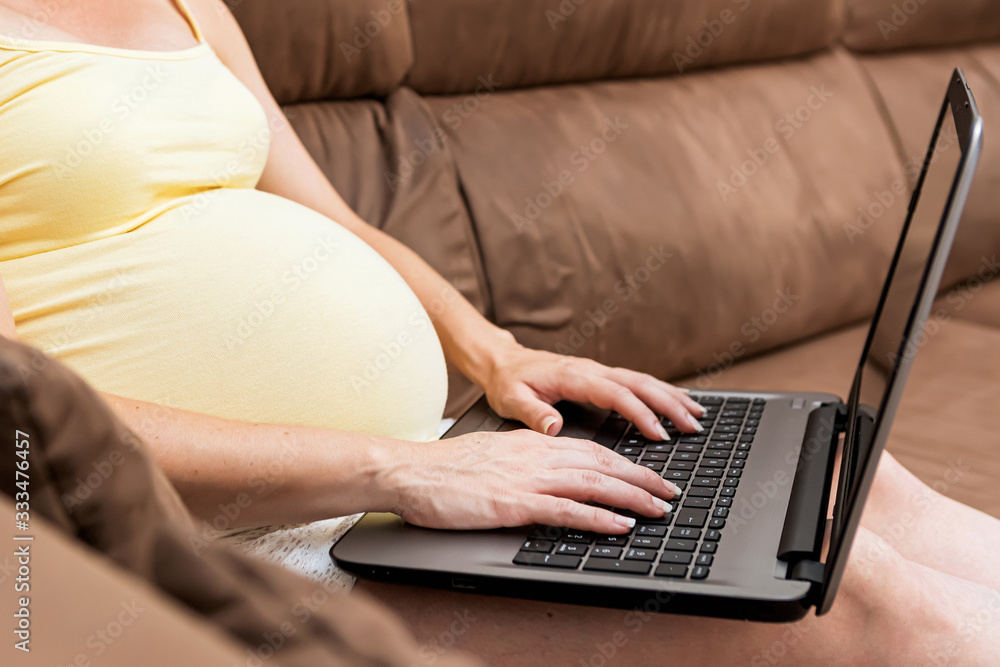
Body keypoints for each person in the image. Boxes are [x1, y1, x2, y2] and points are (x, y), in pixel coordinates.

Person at [0, 1, 997, 663]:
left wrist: (498, 355)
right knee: (851, 593)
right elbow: (21, 423)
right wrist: (392, 471)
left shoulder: (185, 4)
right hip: (239, 540)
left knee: (826, 475)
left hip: (420, 468)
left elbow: (339, 224)